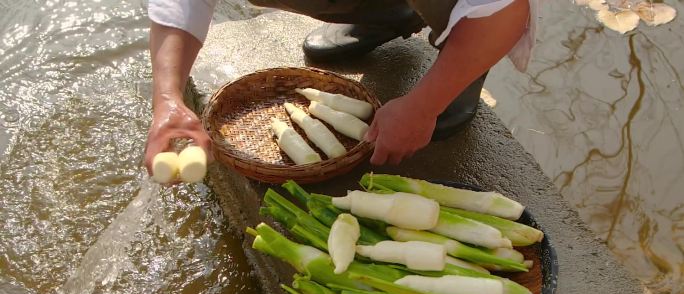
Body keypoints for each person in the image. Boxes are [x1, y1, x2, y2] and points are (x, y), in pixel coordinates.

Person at [144, 0, 537, 173]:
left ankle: (458, 52)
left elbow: (505, 9)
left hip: (493, 9)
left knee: (480, 23)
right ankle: (388, 13)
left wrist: (423, 105)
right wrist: (168, 97)